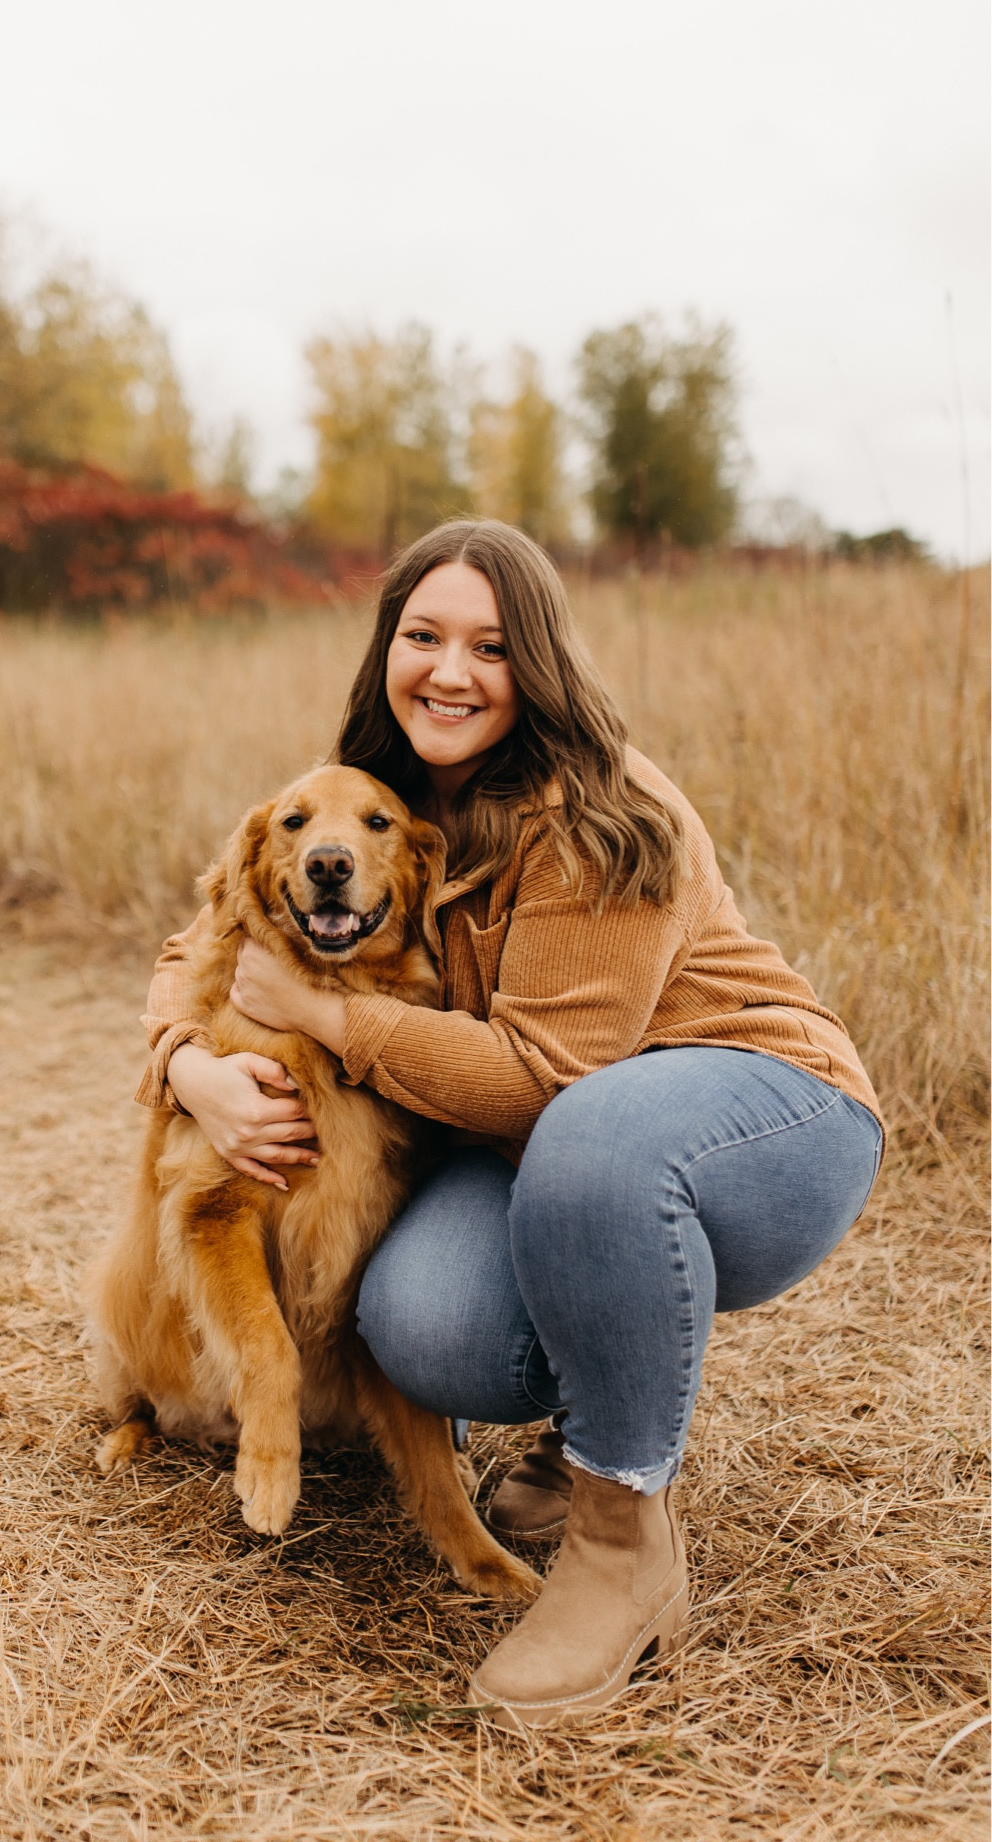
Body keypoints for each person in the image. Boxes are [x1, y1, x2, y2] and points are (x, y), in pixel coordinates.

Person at [135, 519, 883, 1729]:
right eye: (422, 635)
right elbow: (209, 932)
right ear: (387, 648)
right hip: (555, 1150)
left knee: (590, 1135)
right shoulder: (373, 800)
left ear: (536, 662)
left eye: (489, 644)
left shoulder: (601, 810)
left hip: (760, 1115)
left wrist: (326, 1014)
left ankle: (619, 1537)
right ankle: (590, 1413)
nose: (449, 669)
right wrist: (188, 1062)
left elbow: (544, 1075)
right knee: (417, 1319)